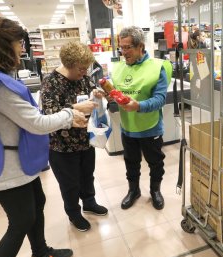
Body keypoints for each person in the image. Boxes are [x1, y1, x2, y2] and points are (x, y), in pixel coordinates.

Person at [0, 17, 94, 257]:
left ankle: (40, 254)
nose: (21, 48)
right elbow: (37, 123)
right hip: (6, 168)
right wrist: (71, 115)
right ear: (4, 46)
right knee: (20, 221)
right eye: (18, 42)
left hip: (18, 162)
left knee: (37, 203)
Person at [41, 41, 108, 232]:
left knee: (87, 176)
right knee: (69, 184)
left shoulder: (83, 78)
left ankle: (89, 202)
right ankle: (73, 213)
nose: (84, 72)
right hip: (62, 146)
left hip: (85, 141)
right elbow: (48, 113)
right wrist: (77, 107)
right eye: (80, 69)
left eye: (86, 68)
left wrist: (96, 95)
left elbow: (90, 96)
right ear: (69, 64)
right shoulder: (51, 82)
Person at [111, 26, 172, 210]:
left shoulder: (157, 67)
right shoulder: (118, 68)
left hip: (150, 127)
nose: (123, 52)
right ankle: (134, 190)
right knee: (131, 163)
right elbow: (115, 94)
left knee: (155, 163)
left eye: (128, 47)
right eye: (121, 47)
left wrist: (138, 106)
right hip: (127, 127)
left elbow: (160, 99)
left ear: (140, 47)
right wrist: (105, 95)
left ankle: (155, 191)